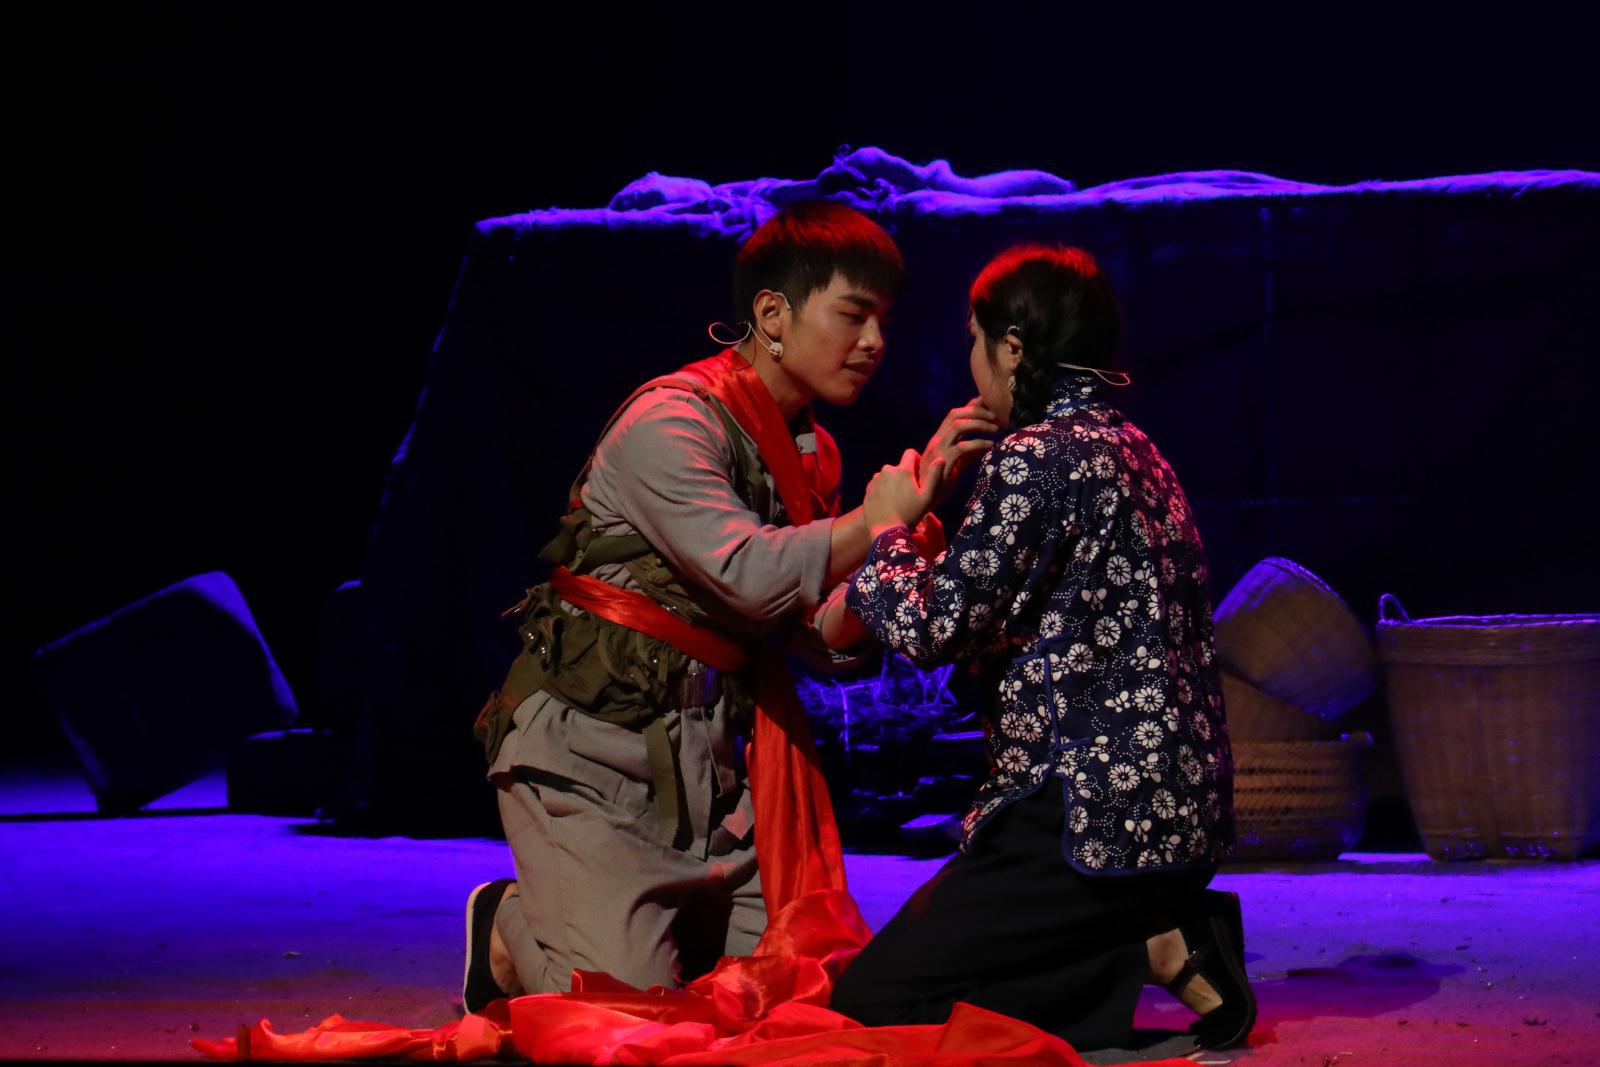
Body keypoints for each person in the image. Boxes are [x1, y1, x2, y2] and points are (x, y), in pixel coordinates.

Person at [460, 201, 988, 1012]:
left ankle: (645, 914)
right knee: (621, 1015)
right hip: (595, 757)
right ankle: (509, 922)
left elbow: (812, 631)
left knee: (798, 989)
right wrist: (871, 524)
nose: (874, 342)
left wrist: (897, 548)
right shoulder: (671, 422)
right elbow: (747, 573)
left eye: (883, 321)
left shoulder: (810, 451)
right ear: (772, 315)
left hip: (708, 769)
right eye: (853, 315)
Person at [825, 245, 1255, 1051]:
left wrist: (887, 532)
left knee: (871, 1007)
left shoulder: (1038, 456)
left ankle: (1150, 944)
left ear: (1014, 347)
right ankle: (1159, 936)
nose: (972, 362)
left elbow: (935, 628)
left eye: (975, 341)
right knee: (976, 991)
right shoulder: (1136, 447)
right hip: (1182, 813)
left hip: (1084, 814)